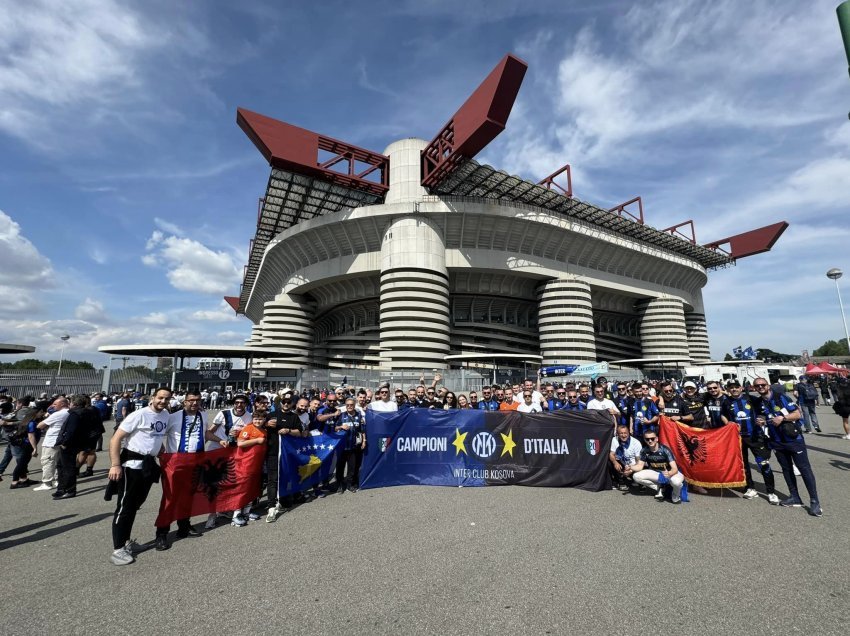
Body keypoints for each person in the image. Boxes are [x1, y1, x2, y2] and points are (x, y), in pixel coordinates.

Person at [107, 387, 173, 566]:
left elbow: (153, 437)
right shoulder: (139, 414)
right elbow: (116, 439)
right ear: (153, 397)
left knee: (136, 505)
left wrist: (159, 449)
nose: (163, 402)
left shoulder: (166, 415)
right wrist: (115, 464)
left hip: (148, 465)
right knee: (125, 506)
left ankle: (127, 542)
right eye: (160, 398)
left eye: (166, 399)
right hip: (131, 465)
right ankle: (118, 548)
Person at [753, 377, 822, 516]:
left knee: (804, 469)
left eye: (762, 385)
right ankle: (795, 497)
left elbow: (797, 414)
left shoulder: (780, 397)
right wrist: (760, 421)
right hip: (776, 442)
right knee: (786, 469)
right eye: (757, 386)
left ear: (768, 385)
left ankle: (815, 501)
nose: (760, 387)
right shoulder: (759, 402)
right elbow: (763, 417)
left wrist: (783, 418)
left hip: (793, 440)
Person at [154, 390, 208, 547]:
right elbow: (158, 434)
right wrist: (161, 451)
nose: (195, 403)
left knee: (188, 496)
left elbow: (205, 434)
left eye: (197, 400)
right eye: (191, 400)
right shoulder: (173, 417)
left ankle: (183, 526)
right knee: (170, 498)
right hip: (175, 463)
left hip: (196, 462)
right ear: (184, 402)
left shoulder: (203, 415)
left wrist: (222, 440)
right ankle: (162, 533)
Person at [721, 380, 779, 505]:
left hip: (755, 437)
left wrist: (761, 419)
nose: (734, 389)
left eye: (736, 387)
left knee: (763, 464)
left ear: (741, 388)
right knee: (744, 465)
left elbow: (763, 412)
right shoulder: (726, 402)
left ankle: (771, 492)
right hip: (738, 439)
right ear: (728, 389)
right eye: (731, 388)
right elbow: (723, 415)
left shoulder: (752, 399)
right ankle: (750, 488)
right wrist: (728, 423)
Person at [231, 412, 268, 527]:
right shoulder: (248, 428)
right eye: (256, 419)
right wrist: (257, 440)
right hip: (245, 464)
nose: (258, 421)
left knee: (252, 487)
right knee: (242, 488)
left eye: (260, 419)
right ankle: (236, 514)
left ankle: (247, 511)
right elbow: (240, 443)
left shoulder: (264, 431)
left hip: (256, 465)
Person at [631, 430, 684, 503]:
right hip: (657, 473)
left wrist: (669, 474)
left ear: (656, 439)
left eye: (652, 438)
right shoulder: (644, 450)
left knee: (676, 482)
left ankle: (675, 496)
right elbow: (639, 466)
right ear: (644, 440)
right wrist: (630, 467)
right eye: (647, 439)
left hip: (671, 473)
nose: (650, 441)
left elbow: (675, 469)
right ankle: (659, 488)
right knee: (636, 476)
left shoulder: (665, 450)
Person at [33, 397, 69, 491]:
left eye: (55, 404)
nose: (53, 406)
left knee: (48, 461)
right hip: (61, 440)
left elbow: (40, 426)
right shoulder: (69, 412)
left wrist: (45, 417)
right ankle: (58, 480)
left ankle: (47, 483)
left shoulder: (58, 414)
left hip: (51, 441)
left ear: (62, 404)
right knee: (58, 462)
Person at [334, 397, 365, 493]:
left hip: (354, 446)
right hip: (342, 446)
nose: (349, 406)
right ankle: (339, 484)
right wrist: (341, 426)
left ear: (354, 405)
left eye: (351, 405)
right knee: (340, 466)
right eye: (347, 405)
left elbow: (362, 430)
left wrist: (364, 441)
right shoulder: (341, 416)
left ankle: (350, 484)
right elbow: (334, 428)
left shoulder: (359, 415)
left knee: (352, 467)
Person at [609, 424, 642, 491]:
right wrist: (615, 463)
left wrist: (631, 470)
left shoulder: (636, 443)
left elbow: (639, 461)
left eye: (625, 433)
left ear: (629, 433)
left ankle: (637, 481)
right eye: (621, 433)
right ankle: (620, 481)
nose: (623, 435)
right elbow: (611, 454)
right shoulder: (614, 439)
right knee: (609, 462)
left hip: (633, 466)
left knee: (637, 477)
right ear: (617, 434)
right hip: (622, 463)